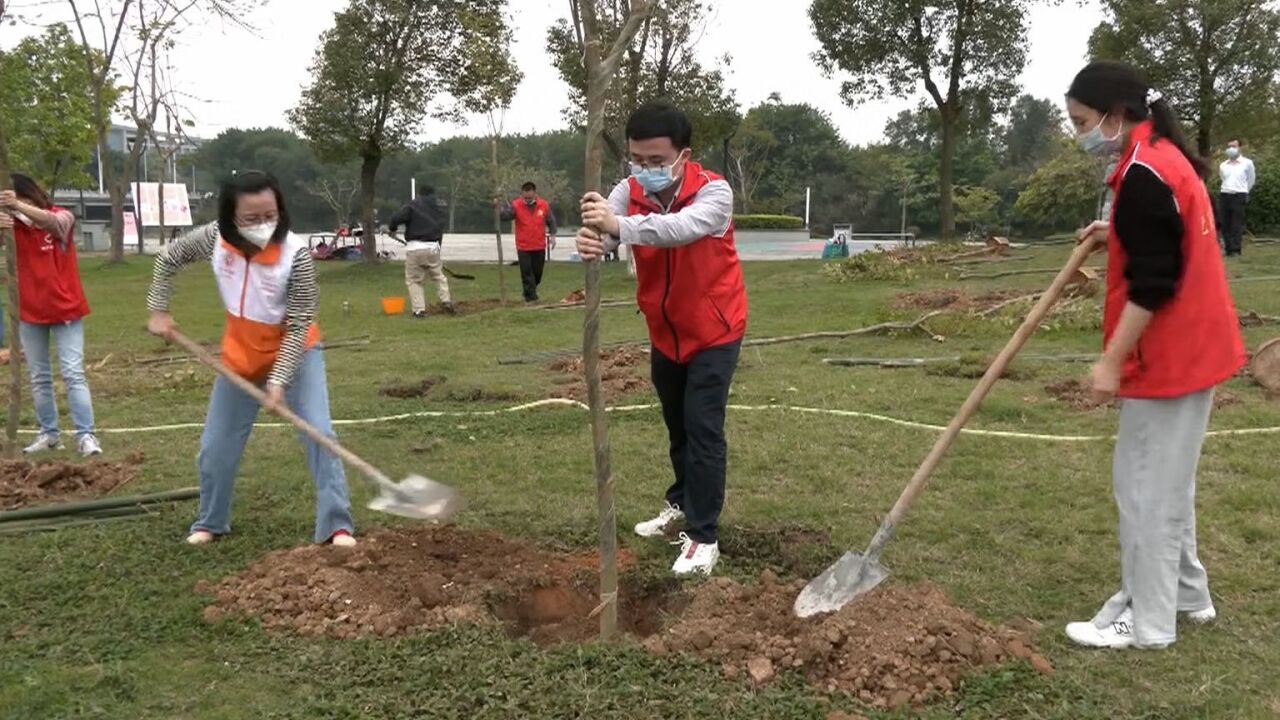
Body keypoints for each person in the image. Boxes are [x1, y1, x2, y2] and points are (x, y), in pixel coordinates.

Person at [1063, 61, 1245, 650]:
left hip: (1169, 356)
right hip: (1197, 347)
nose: (1080, 134)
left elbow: (1153, 283)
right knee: (1168, 485)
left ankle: (1144, 621)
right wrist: (1114, 229)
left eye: (1083, 122)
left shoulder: (1143, 173)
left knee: (1143, 488)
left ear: (1116, 116)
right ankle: (1189, 596)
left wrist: (1111, 361)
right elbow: (1157, 231)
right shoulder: (1161, 156)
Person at [576, 103, 746, 576]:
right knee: (677, 425)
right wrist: (592, 241)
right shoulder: (625, 192)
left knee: (703, 428)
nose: (644, 170)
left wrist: (618, 228)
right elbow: (605, 234)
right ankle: (681, 503)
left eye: (655, 161)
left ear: (682, 155)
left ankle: (703, 535)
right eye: (636, 159)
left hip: (715, 329)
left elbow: (676, 230)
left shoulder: (713, 192)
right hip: (664, 333)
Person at [145, 170, 356, 547]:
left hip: (296, 353)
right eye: (252, 218)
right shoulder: (214, 238)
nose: (263, 225)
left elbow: (299, 323)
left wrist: (278, 381)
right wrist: (158, 310)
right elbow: (168, 259)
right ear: (230, 217)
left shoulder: (297, 256)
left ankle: (337, 525)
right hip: (240, 357)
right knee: (216, 446)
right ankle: (210, 521)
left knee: (320, 434)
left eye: (270, 215)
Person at [0, 175, 102, 456]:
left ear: (32, 196)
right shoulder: (11, 229)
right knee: (39, 376)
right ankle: (49, 434)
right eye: (12, 202)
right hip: (29, 313)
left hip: (66, 309)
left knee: (73, 373)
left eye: (22, 200)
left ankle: (86, 435)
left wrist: (18, 206)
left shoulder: (61, 217)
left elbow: (53, 223)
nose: (17, 207)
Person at [387, 185, 455, 318]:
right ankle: (446, 301)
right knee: (439, 277)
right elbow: (439, 230)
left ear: (419, 194)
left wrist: (392, 228)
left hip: (415, 248)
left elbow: (396, 219)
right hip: (433, 247)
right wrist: (437, 249)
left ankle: (419, 310)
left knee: (414, 280)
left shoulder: (413, 205)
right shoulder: (439, 208)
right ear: (433, 194)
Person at [496, 181, 557, 303]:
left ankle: (528, 292)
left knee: (537, 274)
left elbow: (551, 221)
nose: (528, 199)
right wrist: (498, 208)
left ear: (535, 193)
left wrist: (553, 235)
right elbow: (505, 216)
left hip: (539, 245)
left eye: (530, 197)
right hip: (523, 247)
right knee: (527, 273)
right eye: (525, 197)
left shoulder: (543, 205)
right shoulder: (516, 205)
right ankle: (531, 299)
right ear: (522, 194)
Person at [1218, 139, 1256, 257]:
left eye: (1234, 146)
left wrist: (1244, 191)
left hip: (1239, 195)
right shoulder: (1223, 165)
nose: (1231, 149)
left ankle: (1235, 249)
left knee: (1236, 223)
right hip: (1225, 194)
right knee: (1225, 223)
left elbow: (1251, 179)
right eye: (1229, 146)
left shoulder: (1247, 163)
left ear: (1240, 147)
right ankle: (1228, 248)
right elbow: (1223, 178)